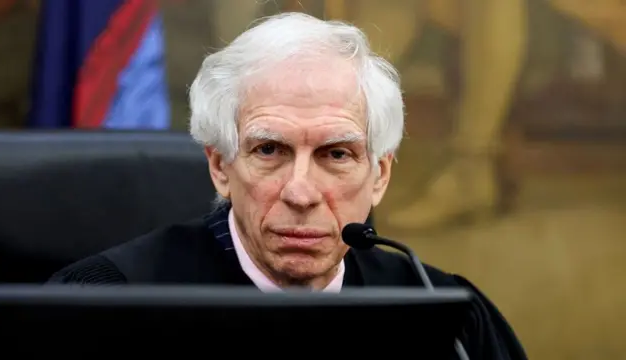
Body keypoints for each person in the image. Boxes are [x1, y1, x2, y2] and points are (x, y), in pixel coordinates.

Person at [48, 13, 526, 359]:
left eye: (336, 154)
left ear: (379, 175)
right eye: (270, 151)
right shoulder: (101, 303)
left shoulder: (449, 322)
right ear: (220, 167)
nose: (301, 193)